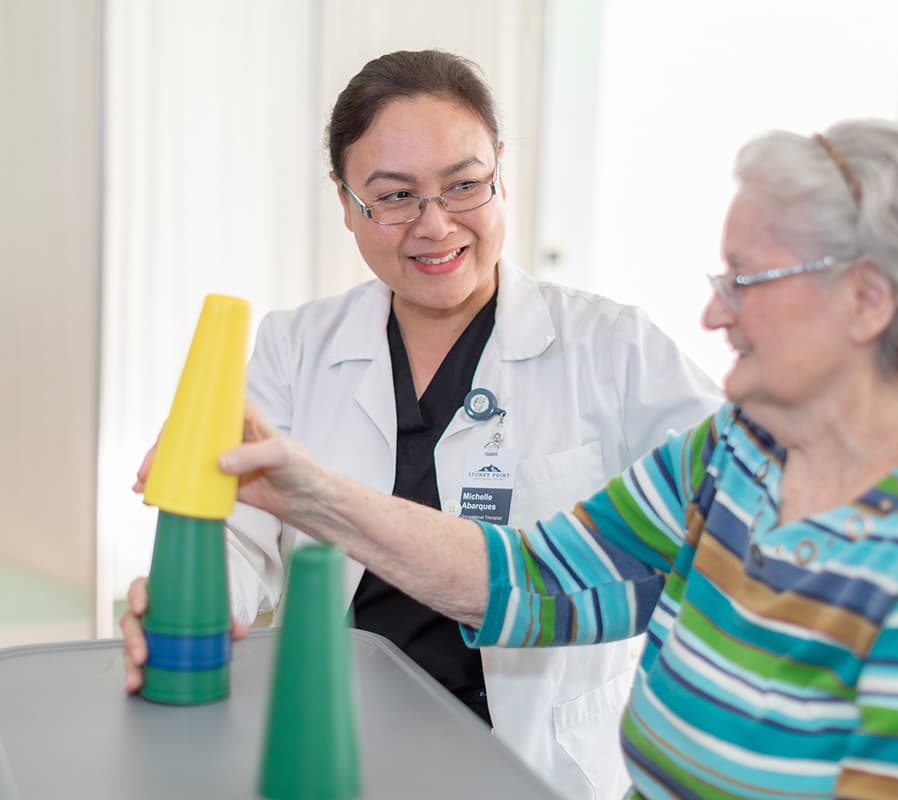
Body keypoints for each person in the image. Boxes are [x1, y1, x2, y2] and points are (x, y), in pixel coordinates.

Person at [149, 118, 898, 798]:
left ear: (868, 299)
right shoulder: (732, 458)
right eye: (395, 197)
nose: (713, 313)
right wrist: (304, 490)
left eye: (747, 282)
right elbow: (527, 577)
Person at [120, 49, 721, 800]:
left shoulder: (616, 350)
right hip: (334, 725)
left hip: (532, 757)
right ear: (346, 203)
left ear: (501, 170)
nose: (435, 226)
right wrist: (194, 600)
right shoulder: (296, 346)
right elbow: (238, 527)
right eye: (395, 196)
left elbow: (740, 506)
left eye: (465, 185)